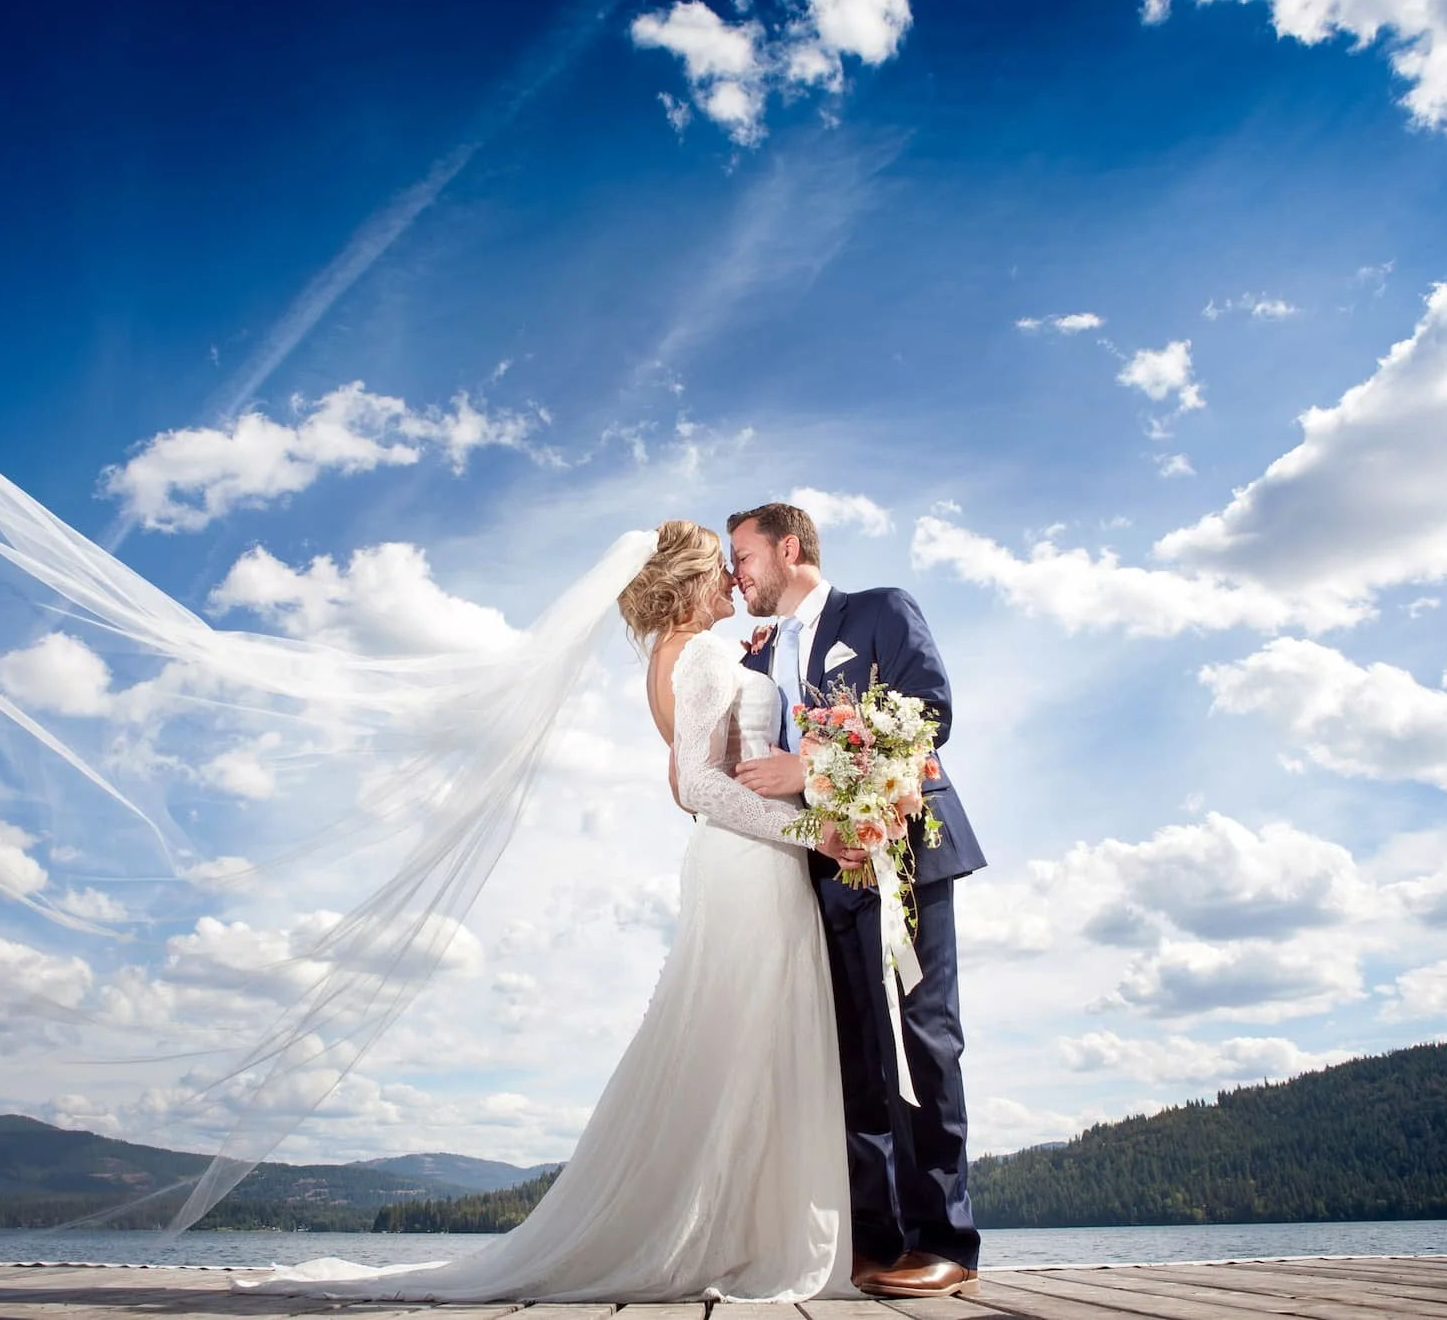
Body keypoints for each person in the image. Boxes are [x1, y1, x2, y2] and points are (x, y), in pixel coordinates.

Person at [242, 520, 859, 1301]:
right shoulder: (700, 654)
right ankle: (741, 1235)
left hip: (738, 858)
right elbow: (701, 788)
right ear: (691, 582)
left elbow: (687, 784)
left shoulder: (676, 659)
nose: (735, 583)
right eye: (723, 570)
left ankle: (738, 1226)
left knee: (736, 1041)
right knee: (751, 1037)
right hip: (752, 864)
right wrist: (816, 830)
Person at [728, 502, 988, 1300]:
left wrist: (808, 767)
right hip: (826, 874)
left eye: (743, 556)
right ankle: (879, 1242)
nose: (735, 575)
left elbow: (928, 714)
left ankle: (946, 1239)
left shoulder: (878, 610)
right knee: (859, 1060)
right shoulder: (757, 657)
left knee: (924, 1041)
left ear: (790, 547)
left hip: (905, 855)